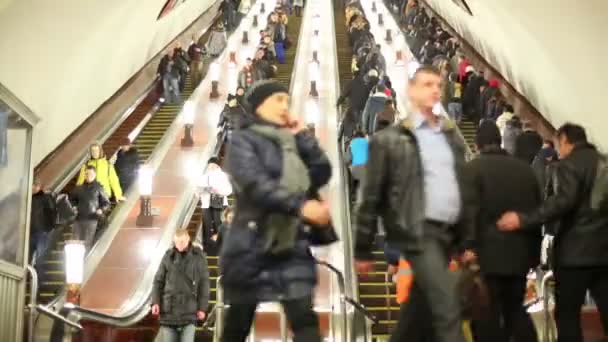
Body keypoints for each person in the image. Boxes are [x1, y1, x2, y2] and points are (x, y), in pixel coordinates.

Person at [354, 66, 469, 342]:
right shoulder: (389, 140)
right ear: (411, 91)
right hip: (416, 232)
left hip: (444, 238)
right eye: (426, 84)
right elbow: (371, 195)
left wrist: (466, 240)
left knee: (417, 316)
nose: (433, 90)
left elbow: (459, 190)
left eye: (437, 85)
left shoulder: (451, 139)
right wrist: (362, 246)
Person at [220, 80, 332, 341]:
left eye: (287, 100)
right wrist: (300, 206)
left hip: (290, 244)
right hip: (250, 245)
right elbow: (255, 185)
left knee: (305, 322)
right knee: (238, 323)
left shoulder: (290, 141)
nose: (285, 106)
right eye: (277, 100)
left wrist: (304, 137)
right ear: (259, 106)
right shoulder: (242, 141)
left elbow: (321, 172)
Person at [498, 123, 608, 342]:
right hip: (605, 252)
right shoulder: (604, 162)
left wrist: (523, 218)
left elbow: (562, 202)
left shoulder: (568, 165)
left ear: (565, 140)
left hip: (575, 255)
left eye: (559, 144)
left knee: (568, 315)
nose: (558, 149)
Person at [463, 121, 540, 341]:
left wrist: (466, 247)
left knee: (486, 314)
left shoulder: (471, 171)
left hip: (485, 257)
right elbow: (536, 214)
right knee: (515, 310)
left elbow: (468, 212)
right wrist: (533, 255)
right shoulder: (525, 172)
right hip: (520, 256)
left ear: (477, 145)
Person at [152, 228, 210, 342]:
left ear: (188, 239)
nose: (179, 245)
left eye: (182, 242)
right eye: (177, 242)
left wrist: (202, 308)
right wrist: (155, 302)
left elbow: (204, 284)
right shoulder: (168, 256)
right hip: (168, 313)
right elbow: (158, 281)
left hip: (189, 312)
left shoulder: (198, 257)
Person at [71, 166, 111, 252]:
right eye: (86, 174)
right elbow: (72, 200)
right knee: (75, 243)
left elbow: (106, 203)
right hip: (78, 219)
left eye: (90, 174)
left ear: (95, 175)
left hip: (92, 219)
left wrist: (101, 209)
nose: (88, 175)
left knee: (87, 243)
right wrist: (74, 206)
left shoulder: (99, 188)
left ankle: (86, 262)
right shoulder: (79, 188)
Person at [199, 157, 232, 254]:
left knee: (219, 223)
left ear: (217, 166)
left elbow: (229, 190)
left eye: (213, 165)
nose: (210, 167)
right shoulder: (204, 176)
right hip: (206, 203)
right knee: (207, 224)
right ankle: (209, 247)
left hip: (219, 203)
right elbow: (197, 190)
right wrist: (201, 190)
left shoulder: (224, 176)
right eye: (209, 165)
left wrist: (217, 190)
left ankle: (222, 246)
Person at [30, 179, 56, 264]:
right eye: (33, 185)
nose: (33, 187)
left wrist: (48, 228)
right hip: (29, 232)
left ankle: (39, 276)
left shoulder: (46, 198)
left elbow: (52, 213)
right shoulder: (29, 198)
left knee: (40, 258)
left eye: (36, 185)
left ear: (40, 187)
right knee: (28, 258)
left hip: (41, 232)